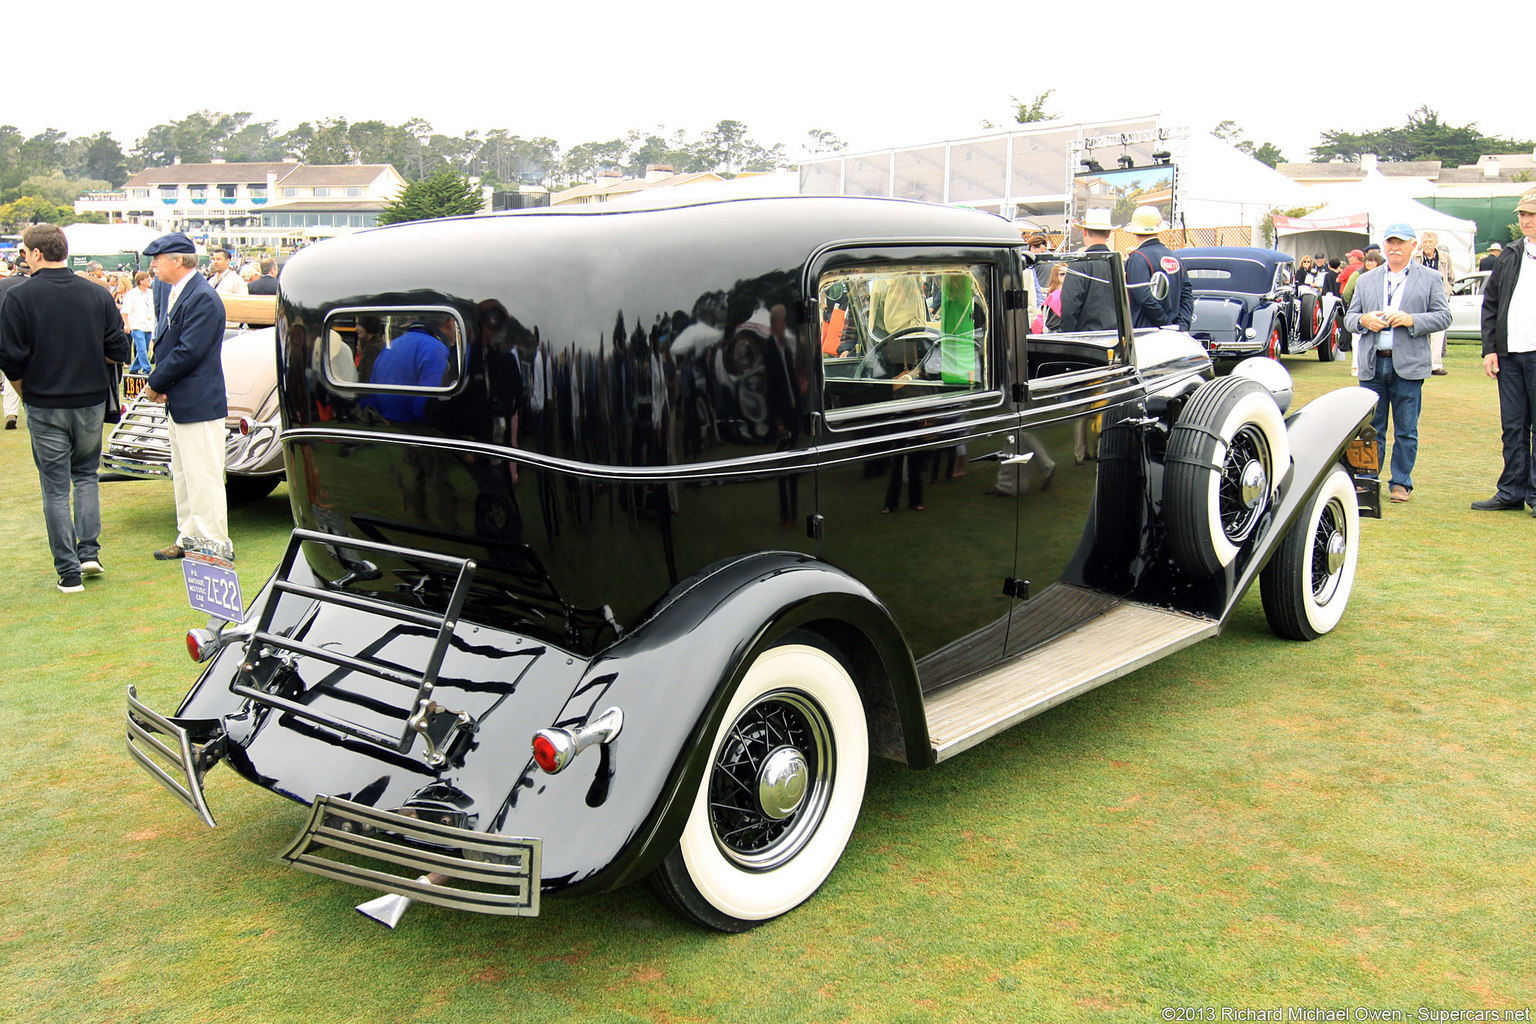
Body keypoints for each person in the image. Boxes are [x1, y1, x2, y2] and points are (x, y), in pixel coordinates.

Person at [0, 223, 130, 591]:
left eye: (25, 252)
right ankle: (88, 552)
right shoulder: (97, 293)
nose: (24, 258)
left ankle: (69, 570)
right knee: (85, 477)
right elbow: (117, 350)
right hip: (88, 399)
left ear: (36, 253)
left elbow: (10, 357)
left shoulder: (20, 297)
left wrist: (25, 391)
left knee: (56, 487)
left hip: (45, 401)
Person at [1344, 223, 1452, 504]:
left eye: (1401, 243)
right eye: (1390, 242)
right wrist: (1363, 320)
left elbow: (1443, 317)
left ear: (1413, 245)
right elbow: (1349, 318)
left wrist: (1412, 319)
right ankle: (1366, 481)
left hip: (1408, 365)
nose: (1394, 248)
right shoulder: (1366, 279)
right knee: (1368, 429)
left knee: (1406, 429)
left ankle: (1401, 483)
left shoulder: (1430, 278)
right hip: (1372, 365)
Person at [142, 232, 233, 562]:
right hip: (182, 399)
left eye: (158, 259)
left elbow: (188, 351)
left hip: (198, 400)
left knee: (204, 476)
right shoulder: (178, 291)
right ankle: (190, 537)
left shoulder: (202, 297)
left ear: (178, 260)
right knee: (183, 474)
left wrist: (155, 381)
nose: (153, 265)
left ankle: (214, 544)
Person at [1471, 187, 1536, 515]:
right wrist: (1490, 350)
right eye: (1523, 214)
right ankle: (1511, 491)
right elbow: (1491, 305)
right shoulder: (1510, 254)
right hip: (1510, 354)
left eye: (1531, 214)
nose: (1526, 220)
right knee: (1513, 426)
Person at [1123, 205, 1193, 331]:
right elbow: (1187, 295)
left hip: (1145, 334)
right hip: (1174, 334)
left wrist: (1165, 324)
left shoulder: (1138, 258)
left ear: (1134, 230)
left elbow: (1144, 298)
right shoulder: (1175, 257)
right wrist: (1181, 326)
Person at [1057, 209, 1117, 332]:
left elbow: (1070, 306)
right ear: (1108, 234)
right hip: (1116, 337)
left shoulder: (1079, 263)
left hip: (1087, 340)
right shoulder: (1119, 263)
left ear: (1084, 232)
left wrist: (1067, 340)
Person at [1415, 231, 1453, 375]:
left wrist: (1447, 290)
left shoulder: (1445, 258)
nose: (1428, 245)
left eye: (1430, 242)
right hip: (1420, 297)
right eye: (1425, 242)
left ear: (1436, 243)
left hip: (1438, 298)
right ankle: (1419, 363)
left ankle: (1435, 364)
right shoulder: (1415, 258)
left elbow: (1451, 277)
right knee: (1419, 329)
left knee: (1438, 330)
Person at [0, 257, 28, 428]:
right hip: (16, 337)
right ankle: (11, 412)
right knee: (13, 372)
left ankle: (10, 413)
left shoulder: (3, 285)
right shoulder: (30, 286)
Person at [120, 271, 156, 374]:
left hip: (149, 325)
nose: (149, 281)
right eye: (147, 279)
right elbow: (125, 311)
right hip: (136, 326)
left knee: (145, 349)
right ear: (141, 281)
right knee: (141, 348)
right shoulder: (132, 294)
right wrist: (127, 324)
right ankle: (147, 369)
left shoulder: (151, 293)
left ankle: (134, 368)